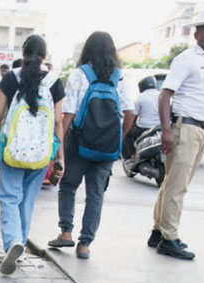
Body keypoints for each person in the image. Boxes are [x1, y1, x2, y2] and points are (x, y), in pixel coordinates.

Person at [47, 31, 135, 259]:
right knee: (95, 195)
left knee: (68, 186)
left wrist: (59, 147)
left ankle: (66, 233)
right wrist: (118, 137)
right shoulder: (120, 77)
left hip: (79, 142)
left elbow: (68, 114)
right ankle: (85, 245)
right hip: (107, 147)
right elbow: (130, 113)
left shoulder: (80, 74)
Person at [0, 35, 65, 275]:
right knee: (27, 200)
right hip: (42, 152)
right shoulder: (54, 81)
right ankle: (20, 242)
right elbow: (58, 121)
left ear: (24, 52)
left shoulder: (11, 77)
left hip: (12, 150)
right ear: (45, 56)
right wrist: (60, 157)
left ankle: (12, 242)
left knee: (9, 197)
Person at [149, 6, 204, 260]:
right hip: (185, 127)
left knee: (173, 183)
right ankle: (169, 238)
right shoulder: (187, 59)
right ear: (197, 34)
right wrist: (167, 131)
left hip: (201, 128)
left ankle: (159, 230)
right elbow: (165, 94)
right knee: (177, 185)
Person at [124, 76, 159, 159]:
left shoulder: (140, 97)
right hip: (160, 127)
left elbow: (133, 115)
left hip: (144, 127)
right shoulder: (161, 94)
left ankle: (133, 155)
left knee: (126, 133)